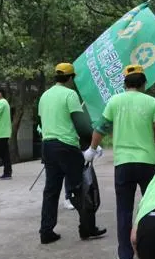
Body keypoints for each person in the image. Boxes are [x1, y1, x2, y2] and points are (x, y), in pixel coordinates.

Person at [86, 64, 155, 259]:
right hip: (147, 164)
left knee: (124, 209)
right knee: (153, 206)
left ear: (125, 83)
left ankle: (125, 254)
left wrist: (92, 149)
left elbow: (101, 127)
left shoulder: (115, 101)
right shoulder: (151, 102)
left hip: (123, 164)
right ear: (143, 83)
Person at [37, 62, 106, 244]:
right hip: (66, 147)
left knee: (51, 190)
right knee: (82, 188)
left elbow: (42, 123)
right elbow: (81, 124)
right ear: (70, 78)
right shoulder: (70, 94)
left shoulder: (45, 96)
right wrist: (93, 144)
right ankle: (87, 228)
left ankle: (46, 231)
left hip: (48, 146)